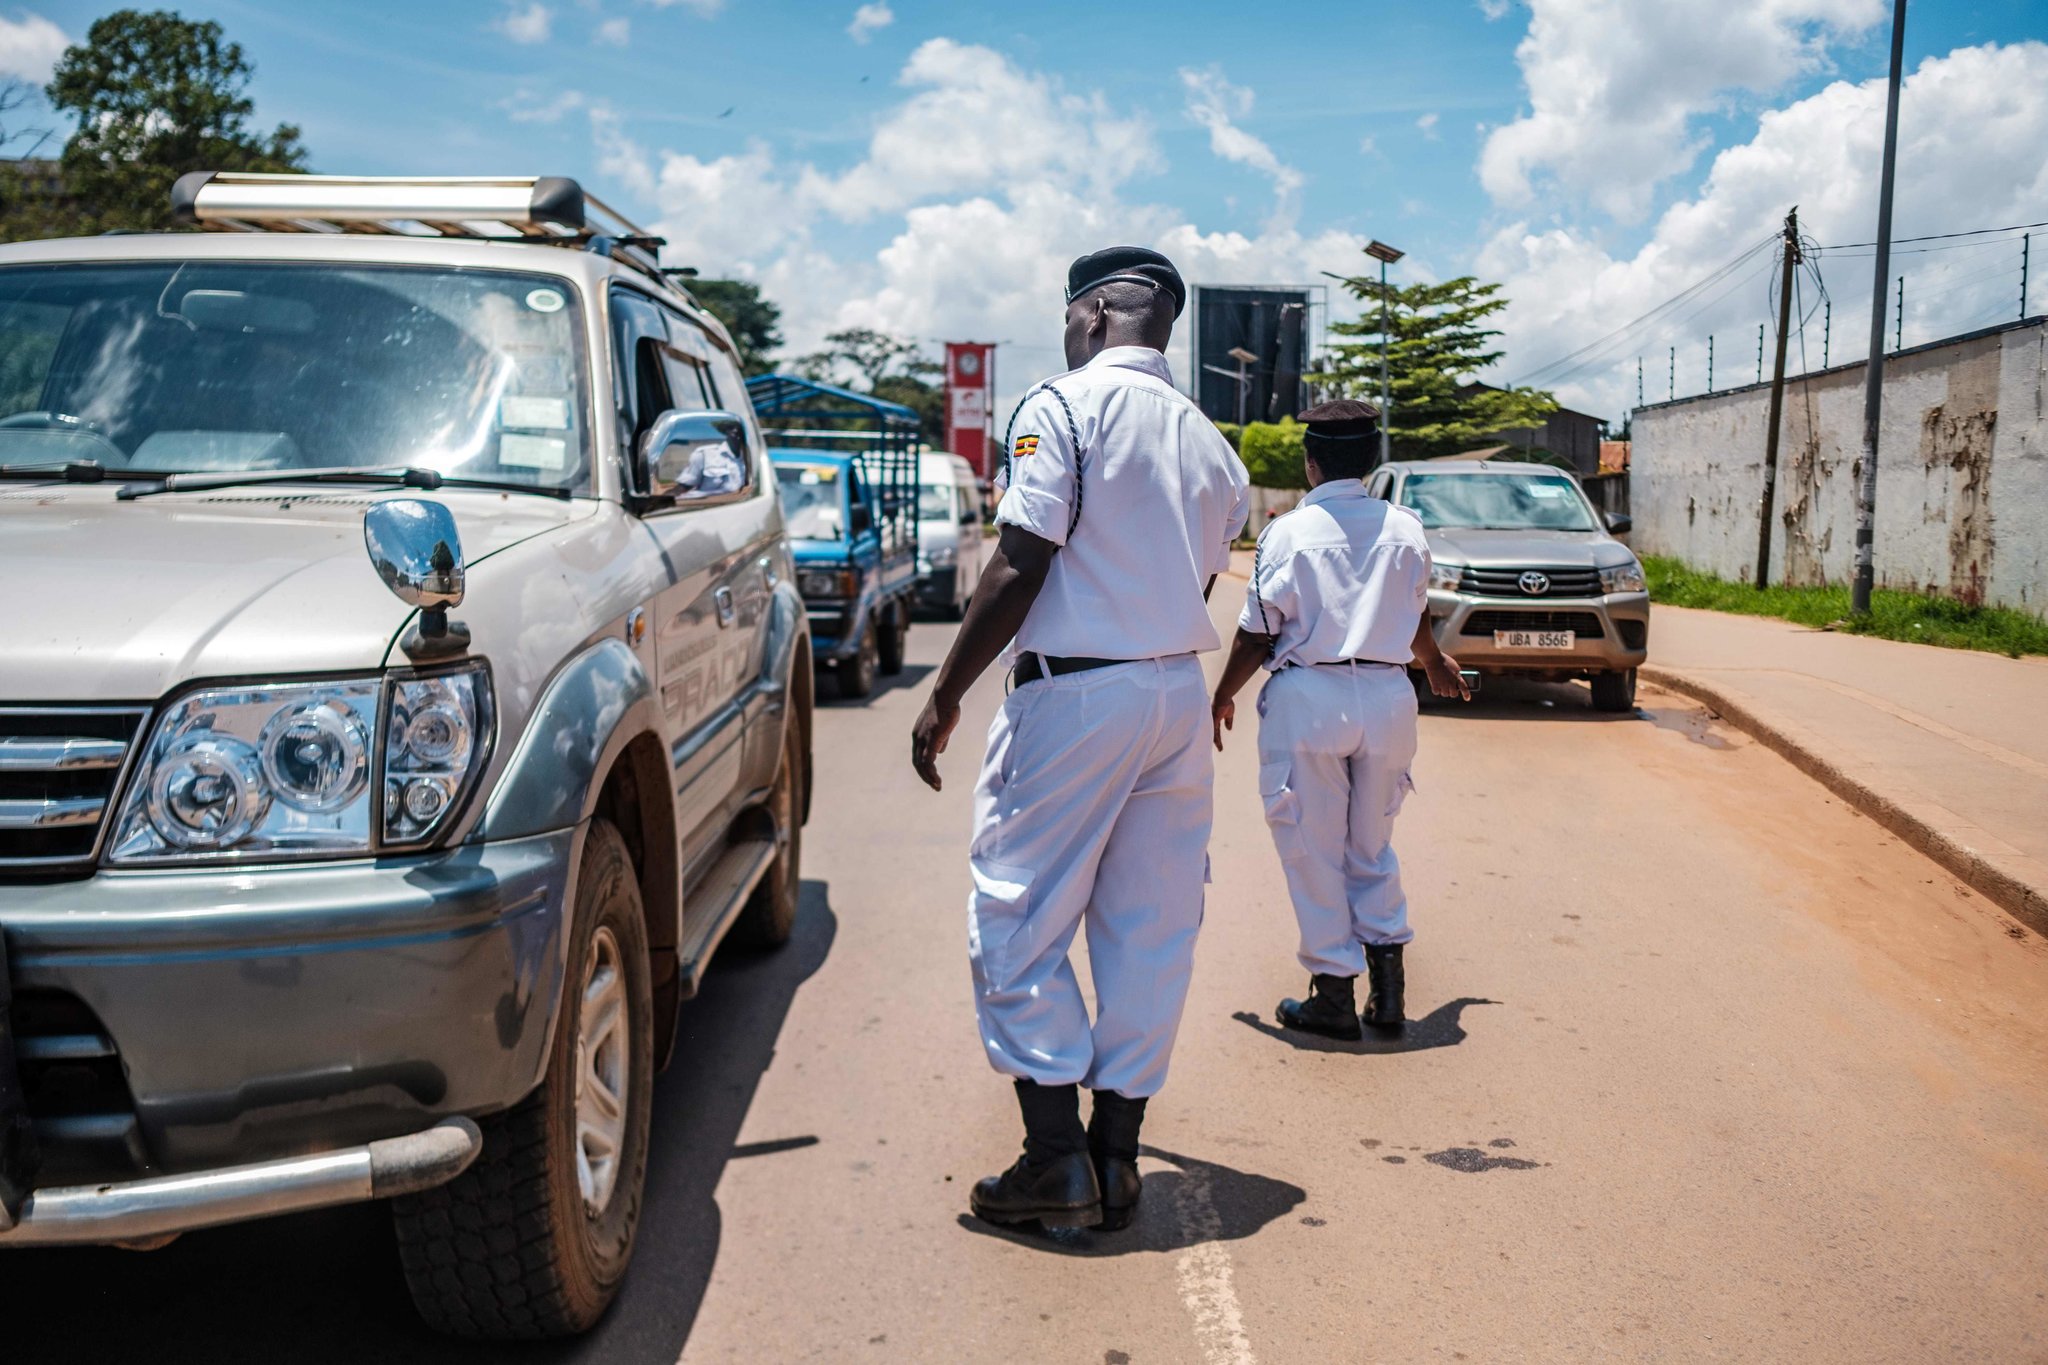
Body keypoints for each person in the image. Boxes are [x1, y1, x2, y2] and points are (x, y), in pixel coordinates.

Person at [911, 246, 1250, 1232]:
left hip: (1076, 695)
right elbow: (1195, 582)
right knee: (1152, 928)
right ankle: (1117, 1158)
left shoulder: (1060, 406)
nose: (1066, 333)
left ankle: (1053, 1159)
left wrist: (944, 691)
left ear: (1096, 314)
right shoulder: (1211, 445)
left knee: (1016, 916)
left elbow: (1019, 561)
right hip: (1171, 696)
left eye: (1069, 317)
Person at [1209, 401, 1468, 1041]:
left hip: (1311, 701)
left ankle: (1333, 995)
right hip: (1387, 698)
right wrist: (1434, 665)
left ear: (1311, 461)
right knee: (1371, 846)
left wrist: (1221, 695)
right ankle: (1387, 994)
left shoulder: (1289, 532)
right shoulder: (1407, 529)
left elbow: (1255, 635)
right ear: (1372, 461)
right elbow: (1417, 617)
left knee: (1313, 849)